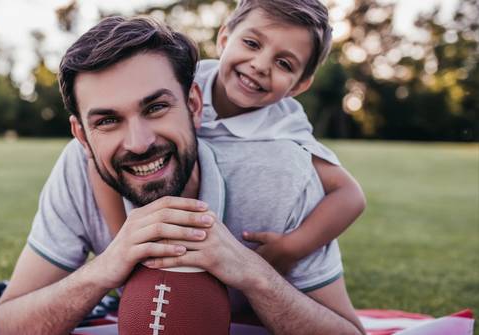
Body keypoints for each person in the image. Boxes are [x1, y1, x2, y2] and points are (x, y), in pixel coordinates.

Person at [0, 16, 364, 335]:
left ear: (194, 105)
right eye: (107, 121)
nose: (138, 143)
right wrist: (104, 269)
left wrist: (254, 274)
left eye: (155, 107)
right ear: (81, 136)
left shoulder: (284, 174)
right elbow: (5, 324)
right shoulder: (78, 168)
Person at [89, 0, 366, 276]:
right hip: (151, 194)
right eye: (252, 44)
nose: (260, 65)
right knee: (92, 154)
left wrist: (290, 248)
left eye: (283, 63)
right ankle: (127, 260)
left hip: (220, 243)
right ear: (224, 38)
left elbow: (350, 195)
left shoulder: (285, 127)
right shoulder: (183, 80)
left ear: (300, 84)